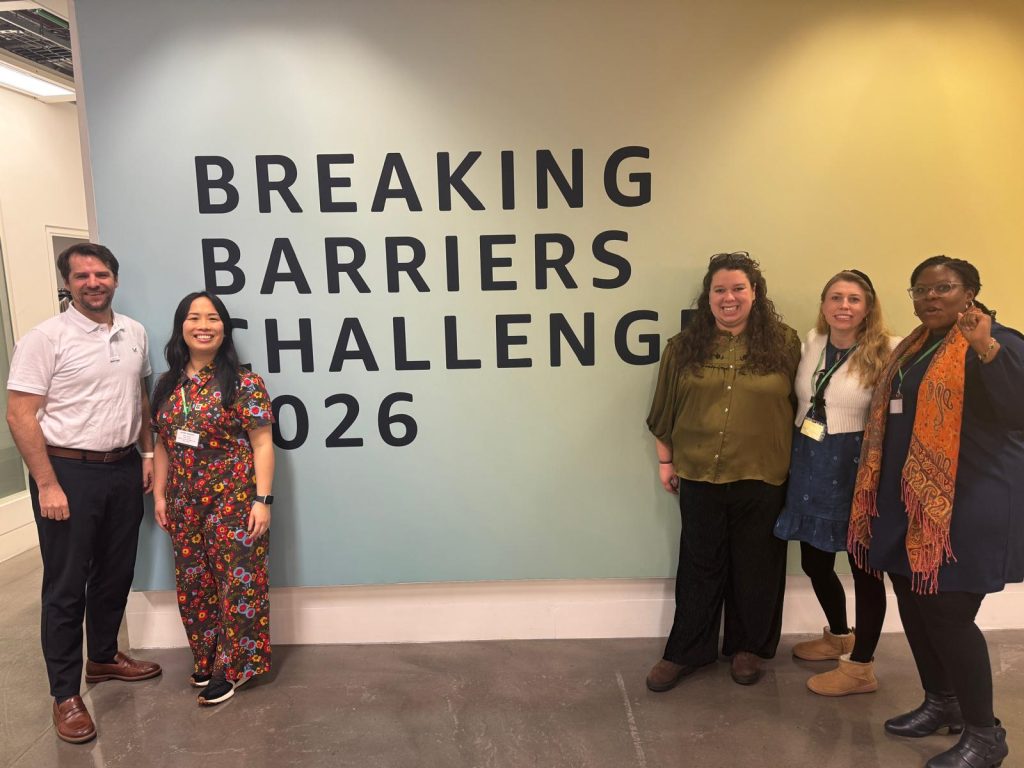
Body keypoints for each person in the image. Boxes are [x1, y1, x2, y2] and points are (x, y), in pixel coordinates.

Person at [848, 256, 1023, 768]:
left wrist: (986, 346)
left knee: (947, 613)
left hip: (968, 503)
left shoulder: (999, 343)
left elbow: (1017, 409)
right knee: (914, 599)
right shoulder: (916, 347)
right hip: (912, 505)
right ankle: (941, 701)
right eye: (920, 290)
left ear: (970, 292)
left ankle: (985, 735)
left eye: (943, 288)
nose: (930, 298)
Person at [5, 243, 162, 744]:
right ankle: (65, 694)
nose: (93, 282)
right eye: (81, 276)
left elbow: (136, 395)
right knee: (66, 585)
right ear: (67, 283)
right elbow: (20, 415)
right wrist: (47, 482)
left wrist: (146, 455)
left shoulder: (134, 332)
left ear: (115, 278)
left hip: (121, 469)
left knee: (116, 572)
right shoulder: (44, 339)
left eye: (101, 274)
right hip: (67, 472)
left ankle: (103, 658)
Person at [645, 251, 800, 691]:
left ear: (755, 293)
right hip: (698, 472)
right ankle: (686, 651)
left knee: (758, 565)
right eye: (719, 290)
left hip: (764, 474)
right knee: (699, 564)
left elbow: (803, 405)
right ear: (707, 296)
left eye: (738, 288)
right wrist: (665, 461)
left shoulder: (785, 344)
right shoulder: (683, 347)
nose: (728, 298)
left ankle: (748, 649)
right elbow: (662, 411)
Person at [774, 270, 899, 696]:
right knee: (815, 561)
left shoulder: (888, 350)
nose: (844, 306)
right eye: (836, 297)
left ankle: (861, 664)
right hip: (809, 461)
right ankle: (840, 635)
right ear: (824, 304)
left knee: (865, 570)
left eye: (854, 299)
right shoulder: (810, 343)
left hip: (858, 467)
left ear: (868, 307)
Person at [150, 291, 275, 706]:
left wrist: (263, 500)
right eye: (193, 317)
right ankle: (206, 657)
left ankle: (233, 667)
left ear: (224, 328)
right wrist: (161, 497)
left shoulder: (244, 383)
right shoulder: (168, 384)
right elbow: (164, 443)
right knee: (194, 583)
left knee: (237, 587)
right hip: (184, 504)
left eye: (212, 318)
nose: (203, 325)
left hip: (234, 503)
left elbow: (262, 445)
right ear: (181, 327)